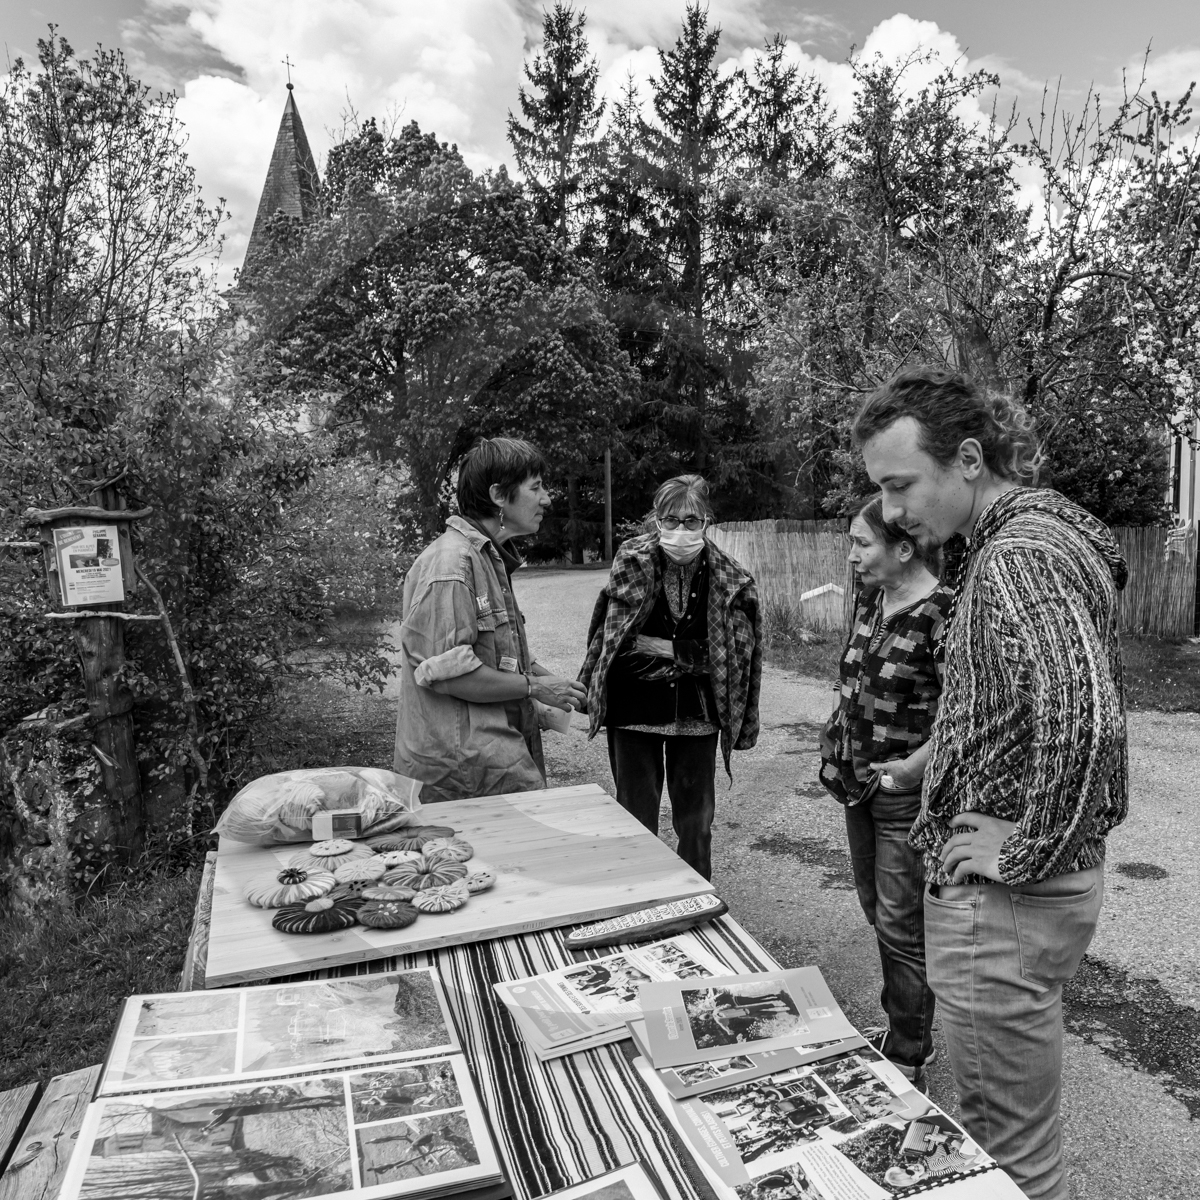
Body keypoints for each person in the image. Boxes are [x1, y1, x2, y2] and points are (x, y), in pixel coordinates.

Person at [854, 367, 1127, 1200]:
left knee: (997, 1162)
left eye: (900, 484)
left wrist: (1028, 844)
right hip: (1028, 902)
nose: (893, 511)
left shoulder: (1015, 558)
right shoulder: (1046, 535)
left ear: (967, 458)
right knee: (1010, 1147)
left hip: (1003, 908)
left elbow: (1084, 718)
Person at [819, 494, 951, 1087]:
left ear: (903, 548)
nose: (852, 555)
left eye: (861, 543)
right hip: (858, 784)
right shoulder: (872, 600)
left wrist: (910, 769)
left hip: (902, 792)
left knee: (901, 924)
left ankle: (908, 1053)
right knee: (877, 910)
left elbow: (960, 714)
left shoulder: (942, 611)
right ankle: (907, 1027)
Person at [578, 474, 761, 879]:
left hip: (697, 716)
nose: (681, 530)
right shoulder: (632, 561)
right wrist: (696, 653)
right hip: (633, 711)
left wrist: (665, 648)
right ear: (657, 521)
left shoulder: (729, 576)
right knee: (634, 817)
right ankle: (638, 896)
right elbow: (619, 645)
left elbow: (732, 655)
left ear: (706, 522)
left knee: (696, 824)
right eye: (671, 520)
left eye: (691, 520)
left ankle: (693, 896)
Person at [392, 437, 586, 802]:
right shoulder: (452, 565)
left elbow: (494, 655)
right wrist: (535, 687)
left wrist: (559, 684)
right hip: (460, 775)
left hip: (489, 762)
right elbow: (452, 675)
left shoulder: (485, 557)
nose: (547, 499)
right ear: (499, 495)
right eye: (536, 487)